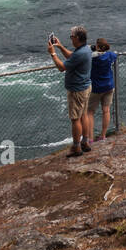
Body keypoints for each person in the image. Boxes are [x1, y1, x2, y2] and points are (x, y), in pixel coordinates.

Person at [48, 26, 93, 157]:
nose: (71, 38)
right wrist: (60, 46)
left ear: (77, 38)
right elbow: (72, 56)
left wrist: (53, 53)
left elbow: (62, 67)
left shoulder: (80, 53)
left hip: (77, 91)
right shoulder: (86, 49)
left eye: (71, 36)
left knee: (75, 119)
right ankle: (85, 142)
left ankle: (76, 147)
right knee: (83, 115)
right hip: (85, 87)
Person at [88, 37, 117, 141]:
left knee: (90, 112)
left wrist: (93, 50)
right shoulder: (110, 55)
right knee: (106, 110)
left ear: (97, 46)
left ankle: (90, 139)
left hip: (96, 88)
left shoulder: (92, 58)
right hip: (109, 86)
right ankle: (103, 135)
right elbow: (114, 55)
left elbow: (87, 56)